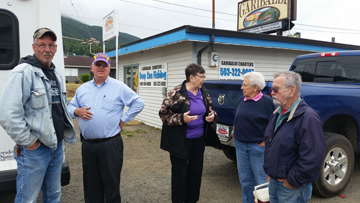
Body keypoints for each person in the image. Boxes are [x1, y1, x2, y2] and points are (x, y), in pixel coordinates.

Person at [0, 27, 76, 202]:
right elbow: (7, 114)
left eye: (51, 45)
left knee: (54, 194)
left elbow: (59, 108)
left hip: (56, 148)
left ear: (56, 48)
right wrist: (30, 143)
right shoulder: (22, 73)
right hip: (34, 151)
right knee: (28, 198)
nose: (47, 49)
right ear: (34, 47)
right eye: (42, 45)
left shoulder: (55, 73)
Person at [67, 52, 144, 203]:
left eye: (105, 65)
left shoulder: (119, 87)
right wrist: (77, 111)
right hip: (88, 145)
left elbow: (138, 103)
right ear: (92, 68)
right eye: (98, 65)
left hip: (110, 145)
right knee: (91, 185)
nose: (101, 67)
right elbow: (69, 108)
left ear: (109, 68)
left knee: (111, 185)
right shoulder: (82, 89)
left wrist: (123, 120)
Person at [159, 63, 218, 203]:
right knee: (180, 174)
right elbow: (163, 115)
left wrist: (212, 116)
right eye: (201, 76)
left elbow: (210, 109)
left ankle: (192, 200)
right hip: (180, 141)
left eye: (204, 76)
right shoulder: (176, 93)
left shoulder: (203, 92)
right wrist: (181, 118)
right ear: (191, 77)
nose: (204, 79)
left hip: (198, 140)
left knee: (196, 172)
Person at [263, 71, 326, 203]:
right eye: (271, 89)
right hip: (275, 182)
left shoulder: (308, 118)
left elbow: (313, 157)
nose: (272, 93)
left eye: (276, 89)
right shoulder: (277, 113)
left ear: (292, 91)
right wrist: (271, 172)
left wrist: (292, 180)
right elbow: (272, 145)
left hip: (291, 188)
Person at [232, 72, 275, 203]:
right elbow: (236, 117)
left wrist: (265, 141)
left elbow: (273, 124)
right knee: (245, 181)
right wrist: (234, 131)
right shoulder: (241, 100)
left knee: (261, 182)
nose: (241, 87)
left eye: (244, 85)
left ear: (255, 87)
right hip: (240, 147)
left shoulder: (267, 102)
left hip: (257, 148)